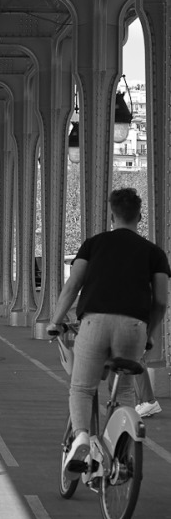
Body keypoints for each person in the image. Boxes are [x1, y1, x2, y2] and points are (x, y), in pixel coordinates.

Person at [47, 188, 170, 479]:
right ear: (139, 216)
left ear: (112, 215)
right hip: (134, 328)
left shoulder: (94, 244)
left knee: (82, 388)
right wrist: (149, 334)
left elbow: (72, 287)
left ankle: (80, 439)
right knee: (125, 389)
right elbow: (162, 301)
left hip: (95, 323)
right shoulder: (154, 253)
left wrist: (54, 321)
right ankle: (119, 454)